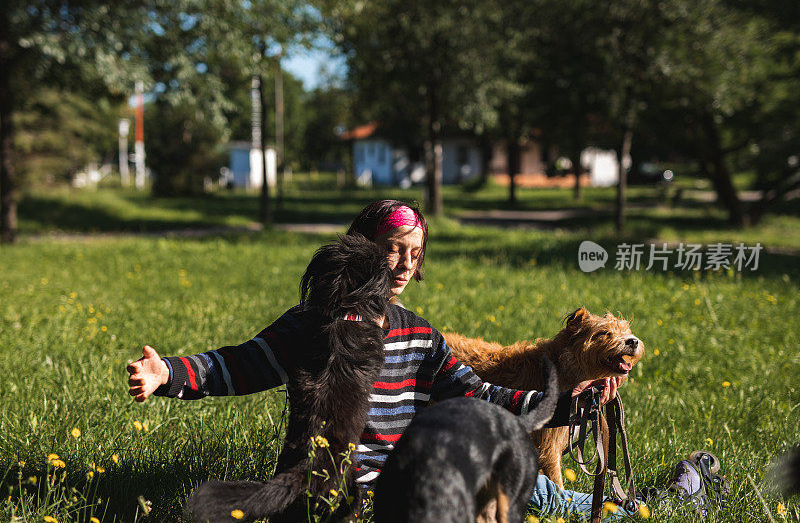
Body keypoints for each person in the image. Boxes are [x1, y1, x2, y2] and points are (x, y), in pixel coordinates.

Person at [126, 199, 631, 519]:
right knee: (559, 501)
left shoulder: (417, 333)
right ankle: (646, 501)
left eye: (415, 254)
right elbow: (241, 364)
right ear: (362, 248)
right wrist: (168, 372)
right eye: (393, 250)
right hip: (344, 492)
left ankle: (654, 498)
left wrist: (562, 404)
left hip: (416, 477)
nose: (405, 266)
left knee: (554, 497)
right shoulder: (312, 323)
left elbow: (478, 395)